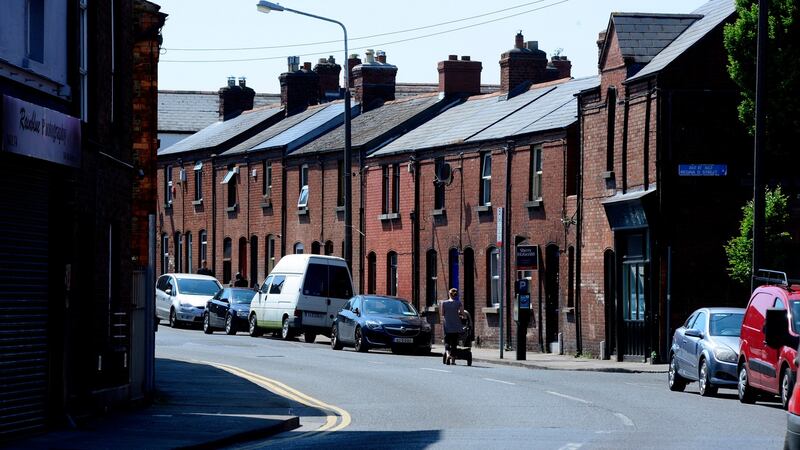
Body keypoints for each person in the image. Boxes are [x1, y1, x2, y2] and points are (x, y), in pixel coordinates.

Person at [441, 288, 464, 365]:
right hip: (456, 326)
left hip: (447, 325)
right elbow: (462, 313)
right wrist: (459, 315)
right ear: (456, 295)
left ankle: (448, 354)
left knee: (447, 341)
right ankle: (453, 361)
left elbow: (442, 314)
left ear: (449, 294)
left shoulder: (444, 303)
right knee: (454, 343)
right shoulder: (459, 303)